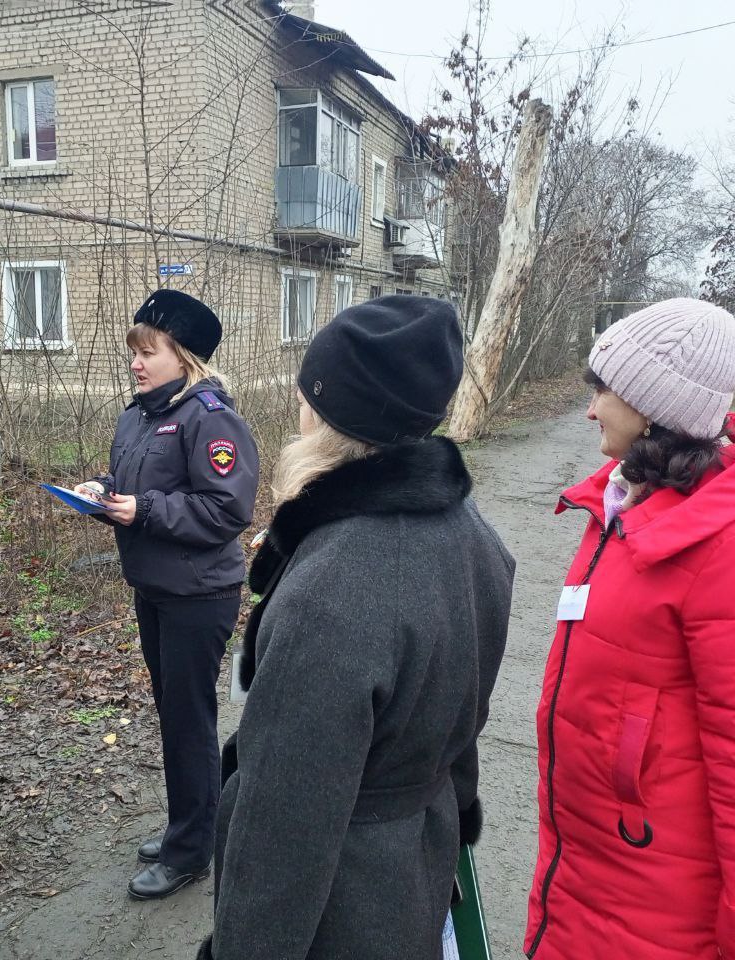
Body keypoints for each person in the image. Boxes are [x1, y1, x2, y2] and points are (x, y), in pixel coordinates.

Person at [197, 295, 514, 960]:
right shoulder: (475, 537)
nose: (299, 408)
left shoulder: (333, 590)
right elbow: (460, 727)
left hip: (344, 908)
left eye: (309, 394)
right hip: (419, 870)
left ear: (334, 411)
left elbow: (284, 827)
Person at [525, 298, 735, 959]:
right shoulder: (624, 501)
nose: (591, 408)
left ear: (653, 405)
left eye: (604, 389)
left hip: (657, 909)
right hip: (586, 872)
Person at [78, 289, 258, 900]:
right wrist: (103, 492)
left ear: (183, 355)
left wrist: (144, 509)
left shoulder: (210, 417)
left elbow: (227, 508)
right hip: (154, 586)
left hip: (198, 593)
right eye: (133, 350)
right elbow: (137, 487)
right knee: (176, 715)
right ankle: (191, 824)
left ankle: (191, 851)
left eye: (147, 351)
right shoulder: (141, 415)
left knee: (188, 721)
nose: (135, 362)